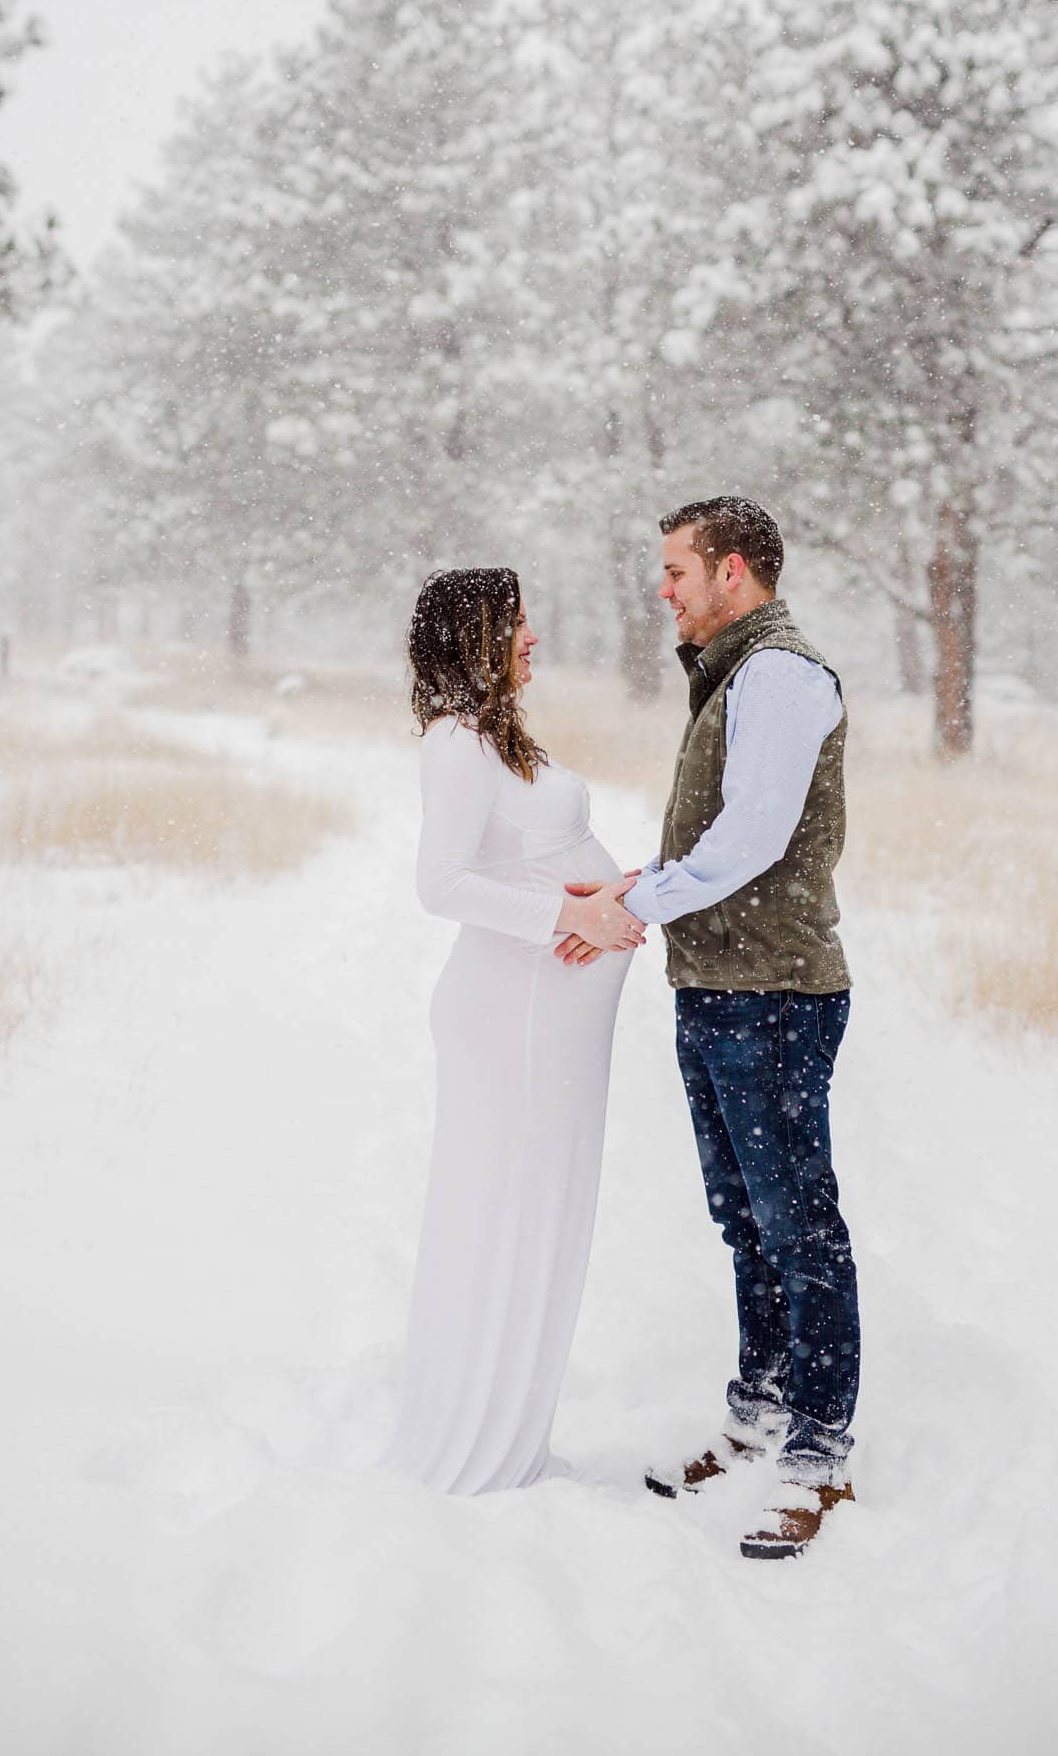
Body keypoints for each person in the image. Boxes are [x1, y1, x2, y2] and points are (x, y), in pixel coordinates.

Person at [557, 497, 858, 1560]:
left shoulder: (777, 670)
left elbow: (755, 833)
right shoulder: (736, 670)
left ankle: (818, 1454)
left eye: (676, 569)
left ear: (732, 570)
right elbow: (719, 840)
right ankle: (759, 1413)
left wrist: (637, 905)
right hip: (724, 984)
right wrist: (646, 882)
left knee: (796, 1224)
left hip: (773, 992)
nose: (662, 587)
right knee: (746, 1219)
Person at [389, 567, 644, 1495]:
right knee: (503, 1214)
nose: (534, 636)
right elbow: (442, 883)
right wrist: (565, 920)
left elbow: (526, 858)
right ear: (476, 634)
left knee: (537, 1211)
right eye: (519, 622)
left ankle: (511, 1427)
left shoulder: (497, 734)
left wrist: (595, 893)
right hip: (513, 1019)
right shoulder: (458, 741)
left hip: (546, 1018)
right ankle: (475, 1443)